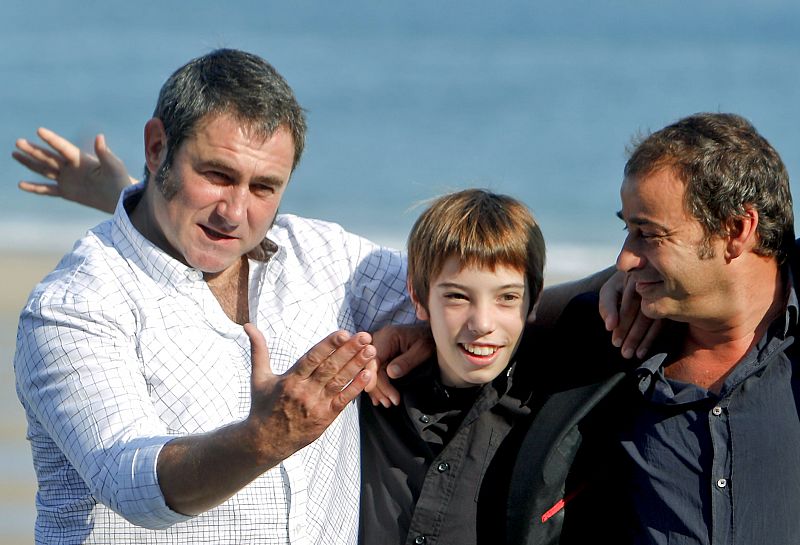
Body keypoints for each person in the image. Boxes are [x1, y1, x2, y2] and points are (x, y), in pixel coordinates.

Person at [13, 48, 420, 544]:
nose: (235, 212)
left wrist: (418, 328)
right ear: (157, 146)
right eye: (217, 176)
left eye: (264, 187)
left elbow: (485, 299)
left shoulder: (323, 256)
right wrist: (266, 436)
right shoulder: (73, 305)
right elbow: (132, 480)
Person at [508, 112, 800, 545]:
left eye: (648, 233)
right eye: (628, 229)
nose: (626, 258)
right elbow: (493, 328)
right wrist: (423, 333)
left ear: (737, 229)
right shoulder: (602, 342)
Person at [358, 189, 545, 545]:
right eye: (458, 296)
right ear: (418, 297)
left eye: (507, 297)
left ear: (533, 301)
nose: (482, 323)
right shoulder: (368, 395)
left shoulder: (551, 411)